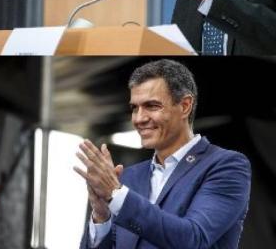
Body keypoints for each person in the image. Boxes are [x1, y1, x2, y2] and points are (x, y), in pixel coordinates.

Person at [75, 59, 250, 249]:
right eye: (135, 107)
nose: (139, 119)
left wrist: (116, 195)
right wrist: (101, 217)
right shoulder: (127, 177)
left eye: (152, 106)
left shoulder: (227, 166)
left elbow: (193, 238)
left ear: (185, 106)